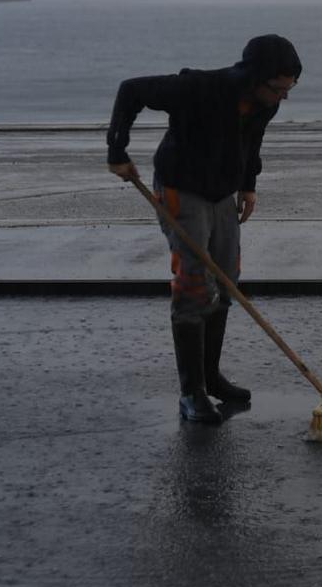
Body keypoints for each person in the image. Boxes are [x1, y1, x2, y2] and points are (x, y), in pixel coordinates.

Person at [107, 33, 302, 424]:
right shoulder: (197, 87)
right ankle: (190, 392)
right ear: (256, 76)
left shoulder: (264, 103)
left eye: (289, 90)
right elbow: (130, 91)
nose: (283, 97)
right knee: (195, 283)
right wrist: (117, 151)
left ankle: (211, 378)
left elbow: (252, 140)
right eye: (279, 89)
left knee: (227, 279)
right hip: (182, 187)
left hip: (222, 191)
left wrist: (248, 185)